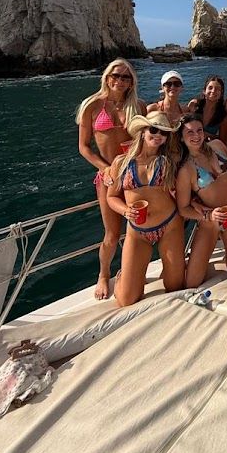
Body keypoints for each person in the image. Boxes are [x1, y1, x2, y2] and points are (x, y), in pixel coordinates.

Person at [76, 58, 147, 300]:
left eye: (125, 77)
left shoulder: (138, 106)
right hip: (107, 177)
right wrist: (105, 169)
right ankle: (103, 274)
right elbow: (84, 147)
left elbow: (147, 139)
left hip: (134, 175)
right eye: (115, 75)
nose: (119, 81)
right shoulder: (92, 106)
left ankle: (128, 271)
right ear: (106, 77)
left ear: (131, 82)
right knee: (112, 234)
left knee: (137, 228)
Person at [106, 112, 185, 307]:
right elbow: (111, 197)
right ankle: (122, 277)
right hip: (137, 232)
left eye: (164, 133)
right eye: (154, 130)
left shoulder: (169, 160)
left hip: (170, 226)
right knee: (126, 300)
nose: (159, 135)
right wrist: (125, 210)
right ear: (142, 131)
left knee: (174, 287)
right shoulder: (120, 163)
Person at [175, 114, 227, 283]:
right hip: (210, 221)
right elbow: (183, 208)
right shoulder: (186, 169)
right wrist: (209, 216)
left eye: (199, 130)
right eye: (190, 132)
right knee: (192, 281)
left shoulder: (217, 146)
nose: (196, 136)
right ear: (181, 137)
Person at [188, 75, 227, 139]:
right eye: (210, 87)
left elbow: (222, 139)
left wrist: (207, 135)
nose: (213, 91)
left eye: (217, 89)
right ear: (204, 91)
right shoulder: (194, 105)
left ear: (221, 94)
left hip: (207, 147)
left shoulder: (223, 114)